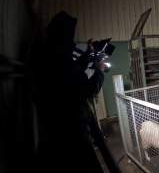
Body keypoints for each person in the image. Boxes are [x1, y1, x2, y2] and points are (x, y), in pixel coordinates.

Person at [31, 11, 106, 173]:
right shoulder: (59, 58)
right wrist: (99, 71)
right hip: (70, 130)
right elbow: (86, 89)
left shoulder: (49, 52)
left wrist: (87, 53)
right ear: (64, 35)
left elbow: (71, 69)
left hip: (53, 126)